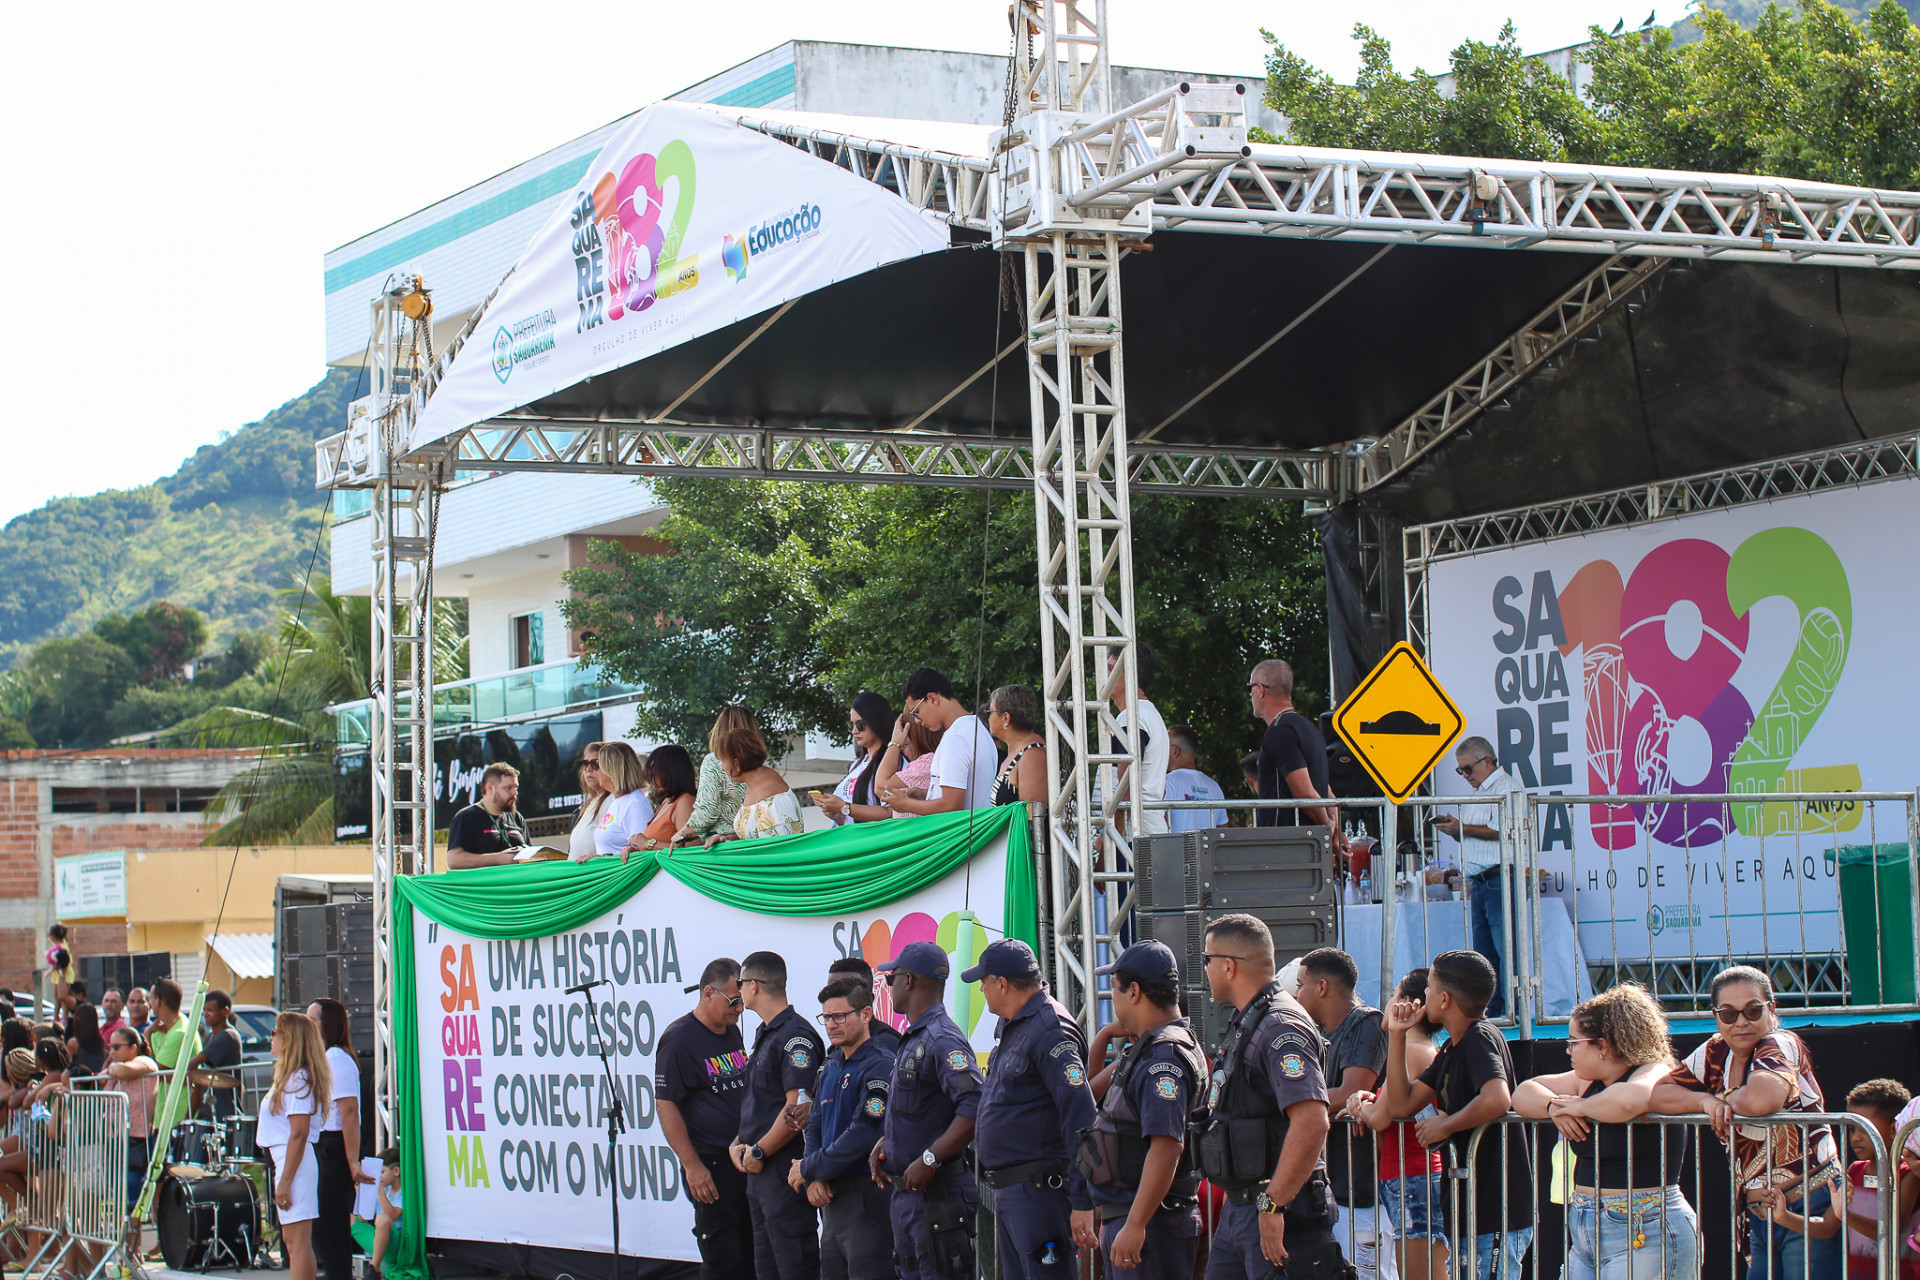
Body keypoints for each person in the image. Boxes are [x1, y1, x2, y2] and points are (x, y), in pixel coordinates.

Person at [1650, 964, 1844, 1280]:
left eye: (1753, 1011)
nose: (1741, 1022)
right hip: (1761, 1214)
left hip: (1810, 1205)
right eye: (1728, 1014)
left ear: (1772, 1009)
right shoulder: (1715, 1050)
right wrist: (1703, 1101)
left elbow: (1760, 1100)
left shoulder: (1779, 1042)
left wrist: (1722, 1100)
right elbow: (1659, 1096)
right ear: (1716, 1016)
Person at [1192, 912, 1341, 1280]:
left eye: (1207, 960)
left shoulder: (1279, 1026)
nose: (1205, 970)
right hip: (1242, 1207)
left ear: (1228, 967)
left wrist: (1273, 1204)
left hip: (1276, 1206)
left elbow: (1311, 1120)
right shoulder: (1251, 1020)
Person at [1513, 983, 1697, 1280]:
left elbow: (1629, 1101)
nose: (1568, 1050)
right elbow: (1523, 1092)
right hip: (1586, 1229)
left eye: (1574, 1042)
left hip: (1645, 1227)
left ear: (1603, 1046)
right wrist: (1553, 1107)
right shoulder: (1585, 1081)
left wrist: (1579, 1107)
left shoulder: (1654, 1071)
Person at [1384, 950, 1533, 1280]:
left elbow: (1497, 1098)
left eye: (1430, 988)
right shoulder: (1451, 1049)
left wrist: (1445, 1126)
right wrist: (1396, 1035)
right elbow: (1400, 1105)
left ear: (1445, 998)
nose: (1424, 995)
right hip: (1466, 1212)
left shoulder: (1480, 1037)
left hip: (1495, 1211)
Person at [1072, 940, 1207, 1280]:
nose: (1113, 999)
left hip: (1152, 1224)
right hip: (1142, 1218)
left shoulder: (1164, 1057)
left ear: (1134, 991)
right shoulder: (1151, 1047)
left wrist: (1135, 1224)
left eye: (1114, 989)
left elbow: (1167, 1146)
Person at [966, 938, 1096, 1280]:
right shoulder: (1018, 1025)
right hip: (1016, 1192)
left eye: (984, 981)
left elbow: (1080, 1117)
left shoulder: (1050, 1030)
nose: (981, 988)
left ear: (1003, 984)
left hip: (1040, 1192)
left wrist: (1082, 1200)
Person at [870, 941, 984, 1280]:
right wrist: (887, 1144)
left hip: (938, 1197)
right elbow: (920, 1109)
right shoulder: (916, 1036)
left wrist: (930, 1158)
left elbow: (975, 1105)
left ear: (908, 980)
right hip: (910, 1197)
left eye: (891, 978)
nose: (888, 987)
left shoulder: (941, 1038)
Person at [1344, 969, 1448, 1280]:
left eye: (1393, 994)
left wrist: (1360, 1105)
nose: (1387, 1002)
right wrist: (1366, 1100)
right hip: (1410, 1176)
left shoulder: (1413, 1050)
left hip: (1413, 1177)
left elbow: (1380, 1117)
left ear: (1407, 1004)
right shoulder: (1417, 1048)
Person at [795, 977, 897, 1280]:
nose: (831, 1024)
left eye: (839, 1016)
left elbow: (864, 1134)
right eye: (826, 1017)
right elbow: (814, 1125)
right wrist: (813, 1174)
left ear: (865, 1014)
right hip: (831, 1200)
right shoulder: (830, 1064)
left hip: (866, 1199)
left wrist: (809, 1168)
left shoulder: (880, 1064)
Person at [657, 958, 753, 1280]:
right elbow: (666, 1104)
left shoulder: (731, 1032)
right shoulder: (679, 1040)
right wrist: (692, 1166)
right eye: (733, 1000)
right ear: (708, 993)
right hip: (712, 1166)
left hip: (745, 1159)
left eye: (741, 1000)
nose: (739, 1008)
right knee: (723, 1257)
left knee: (751, 1253)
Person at [732, 952, 824, 1280]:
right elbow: (761, 1104)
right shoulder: (767, 1033)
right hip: (759, 1175)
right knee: (767, 1271)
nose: (738, 990)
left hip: (784, 1174)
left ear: (754, 986)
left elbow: (796, 1109)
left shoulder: (793, 1036)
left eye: (741, 983)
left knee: (794, 1269)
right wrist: (739, 1143)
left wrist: (759, 1151)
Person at [1293, 948, 1385, 1270]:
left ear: (1322, 987)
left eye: (1301, 984)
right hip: (1336, 1191)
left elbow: (1351, 1091)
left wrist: (1295, 1103)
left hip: (1367, 1194)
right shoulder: (1316, 1033)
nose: (1295, 993)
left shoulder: (1367, 1023)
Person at [1432, 736, 1524, 1018]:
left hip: (1498, 877)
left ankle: (1514, 1010)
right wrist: (1458, 829)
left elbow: (1502, 830)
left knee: (1505, 950)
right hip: (1482, 881)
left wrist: (1463, 828)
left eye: (1468, 769)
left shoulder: (1507, 788)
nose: (1465, 776)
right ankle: (1496, 1010)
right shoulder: (1480, 792)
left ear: (1489, 761)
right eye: (1460, 771)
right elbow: (1480, 834)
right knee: (1486, 954)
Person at [1815, 1079, 1920, 1279]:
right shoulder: (1854, 1170)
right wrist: (1781, 1215)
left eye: (1865, 1128)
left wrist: (1845, 1214)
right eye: (1853, 1128)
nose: (1855, 1138)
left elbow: (1889, 1229)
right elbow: (1827, 1226)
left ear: (1894, 1129)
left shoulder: (1909, 1174)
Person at [261, 1010, 331, 1280]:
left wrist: (285, 1181)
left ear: (290, 1038)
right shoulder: (290, 1077)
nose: (271, 1036)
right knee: (293, 1242)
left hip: (295, 1160)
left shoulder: (297, 1079)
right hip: (287, 1157)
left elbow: (299, 1133)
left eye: (276, 1031)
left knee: (298, 1243)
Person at [307, 998, 369, 1280]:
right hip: (326, 1145)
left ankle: (338, 1274)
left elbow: (350, 1112)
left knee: (327, 1224)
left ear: (327, 1024)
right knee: (329, 1225)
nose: (308, 1024)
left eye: (313, 1019)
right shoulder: (325, 1058)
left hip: (335, 1146)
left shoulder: (337, 1059)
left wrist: (352, 1161)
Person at [883, 669, 998, 815]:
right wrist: (925, 794)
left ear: (932, 699)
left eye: (916, 712)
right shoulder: (977, 727)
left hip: (961, 836)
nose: (917, 721)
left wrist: (906, 804)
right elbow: (967, 794)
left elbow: (952, 805)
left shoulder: (956, 736)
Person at [1247, 660, 1339, 834]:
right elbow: (1327, 791)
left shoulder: (1279, 732)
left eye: (1249, 688)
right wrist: (1334, 830)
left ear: (1260, 689)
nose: (1250, 694)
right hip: (1308, 845)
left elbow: (1305, 793)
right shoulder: (1310, 729)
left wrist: (1328, 829)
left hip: (1287, 846)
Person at [1107, 644, 1170, 835]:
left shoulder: (1132, 716)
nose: (1104, 676)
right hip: (1145, 830)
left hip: (1131, 835)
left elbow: (1126, 785)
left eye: (1110, 669)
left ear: (1131, 675)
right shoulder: (1148, 714)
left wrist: (1112, 837)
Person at [815, 694, 898, 826]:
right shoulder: (858, 764)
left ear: (876, 722)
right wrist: (835, 813)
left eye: (860, 725)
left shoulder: (893, 762)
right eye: (851, 725)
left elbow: (893, 813)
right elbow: (846, 816)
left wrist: (844, 807)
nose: (854, 731)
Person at [101, 1026, 160, 1209]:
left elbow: (122, 1072)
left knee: (132, 1201)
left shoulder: (144, 1061)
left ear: (133, 1047)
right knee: (118, 1197)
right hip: (115, 1137)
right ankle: (124, 1236)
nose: (112, 1052)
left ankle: (134, 1236)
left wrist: (112, 1066)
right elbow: (101, 1079)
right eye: (110, 1047)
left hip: (136, 1138)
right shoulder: (117, 1066)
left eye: (117, 1047)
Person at [679, 708, 756, 844]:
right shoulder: (763, 761)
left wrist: (682, 834)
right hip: (757, 839)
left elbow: (706, 812)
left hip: (723, 844)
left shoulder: (714, 760)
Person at [445, 763, 530, 868]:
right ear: (490, 788)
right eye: (508, 788)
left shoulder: (516, 817)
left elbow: (531, 854)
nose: (514, 793)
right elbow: (454, 860)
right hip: (485, 883)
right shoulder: (467, 817)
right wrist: (498, 859)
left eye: (516, 787)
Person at [590, 741, 656, 860]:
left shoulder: (635, 804)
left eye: (597, 765)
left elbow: (641, 856)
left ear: (612, 769)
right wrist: (597, 860)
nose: (596, 771)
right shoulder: (617, 801)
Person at [986, 685, 1047, 807]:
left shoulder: (1032, 756)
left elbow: (1032, 817)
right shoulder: (1017, 752)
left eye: (990, 712)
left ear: (1005, 718)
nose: (988, 717)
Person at [188, 989, 243, 1122]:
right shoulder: (211, 1036)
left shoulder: (227, 1036)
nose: (205, 1014)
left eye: (210, 1010)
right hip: (209, 1109)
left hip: (224, 1109)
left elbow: (193, 1063)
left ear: (225, 1011)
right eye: (204, 1010)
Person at [631, 744, 698, 853]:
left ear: (670, 770)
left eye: (654, 770)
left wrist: (649, 843)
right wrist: (636, 849)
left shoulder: (685, 802)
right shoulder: (667, 801)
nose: (650, 776)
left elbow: (692, 848)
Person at [874, 714, 942, 819]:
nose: (903, 751)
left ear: (918, 739)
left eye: (905, 745)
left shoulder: (928, 762)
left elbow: (880, 787)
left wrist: (895, 743)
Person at [826, 959, 901, 1052]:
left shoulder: (886, 1043)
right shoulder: (836, 1048)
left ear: (869, 999)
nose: (836, 999)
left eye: (846, 993)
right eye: (832, 992)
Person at [1163, 724, 1228, 832]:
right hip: (1209, 849)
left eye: (1164, 746)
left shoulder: (1167, 783)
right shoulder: (1214, 786)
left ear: (1175, 751)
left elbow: (1156, 825)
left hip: (1176, 849)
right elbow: (1223, 830)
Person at [566, 741, 611, 860]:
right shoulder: (589, 804)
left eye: (595, 763)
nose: (589, 769)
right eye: (585, 763)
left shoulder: (613, 801)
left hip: (597, 874)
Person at [367, 1146, 405, 1280]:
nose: (379, 1177)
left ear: (396, 1171)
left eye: (381, 1172)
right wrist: (362, 1195)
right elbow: (362, 1218)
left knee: (382, 1219)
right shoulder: (385, 1191)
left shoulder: (403, 1193)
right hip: (379, 1236)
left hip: (395, 1239)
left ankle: (374, 1269)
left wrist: (380, 1192)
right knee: (347, 1218)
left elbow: (393, 1215)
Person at [64, 1002, 107, 1076]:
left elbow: (67, 1065)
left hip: (80, 1082)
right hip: (98, 1081)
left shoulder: (73, 1043)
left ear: (77, 1019)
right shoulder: (101, 1041)